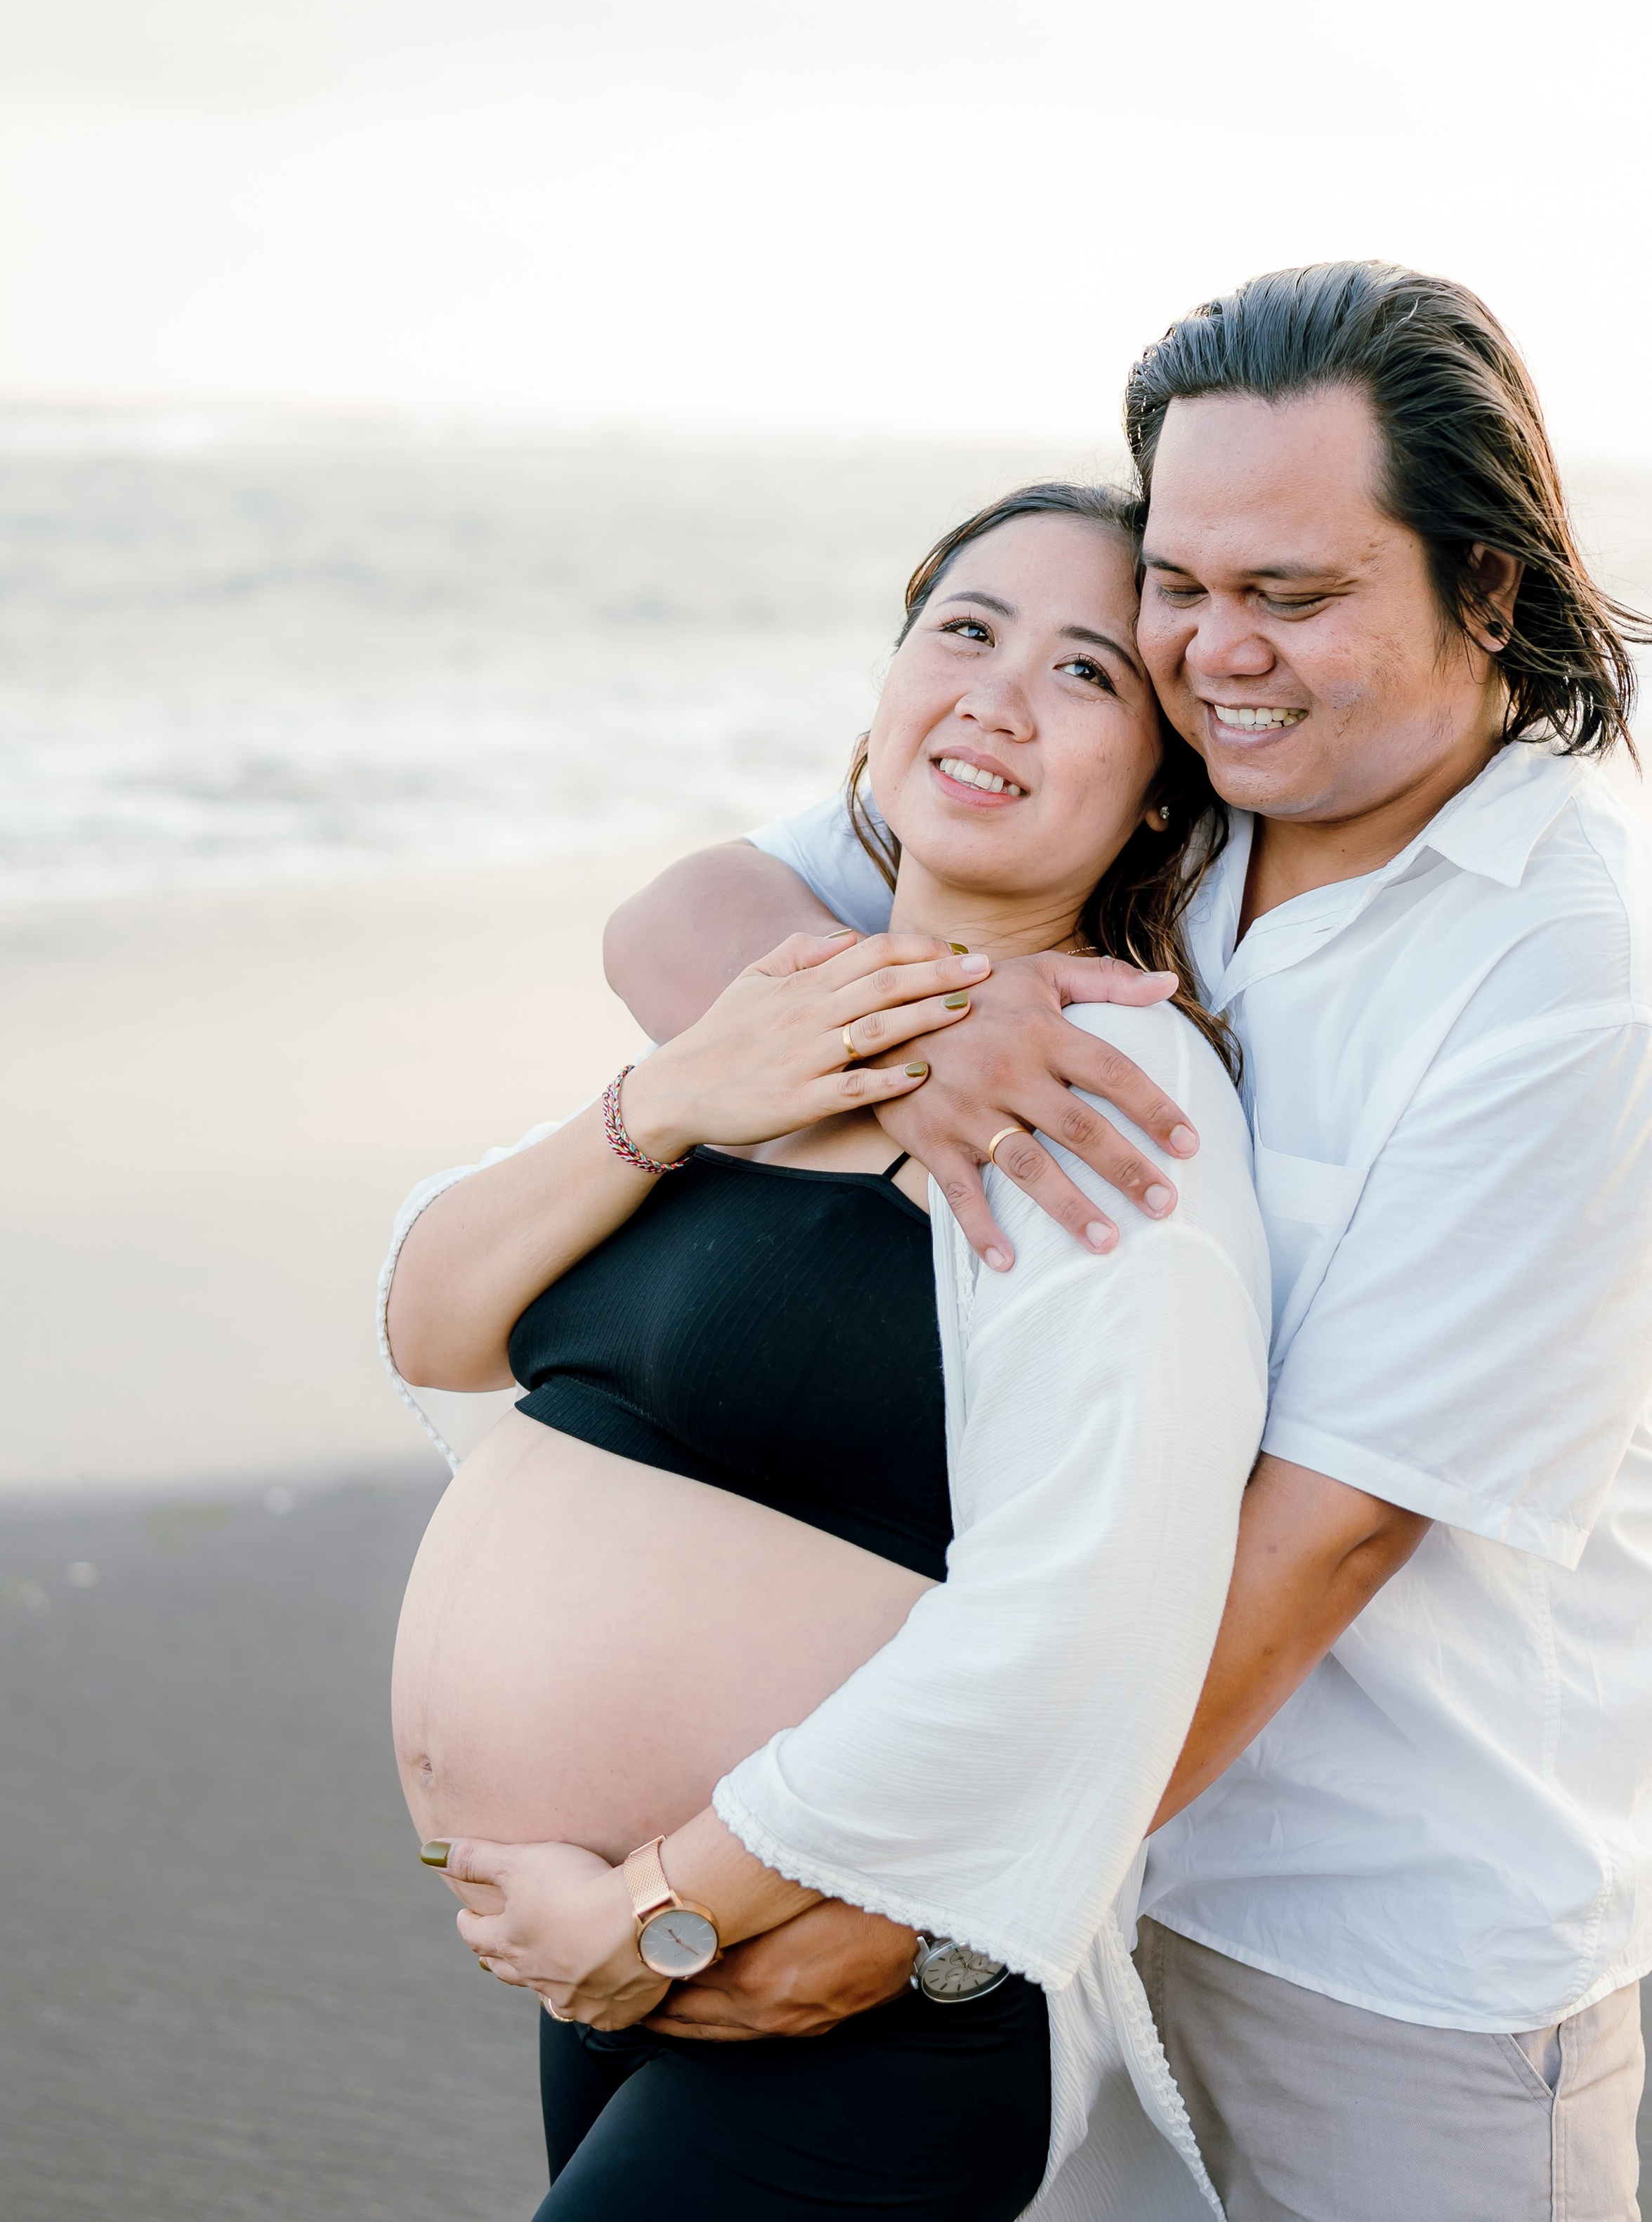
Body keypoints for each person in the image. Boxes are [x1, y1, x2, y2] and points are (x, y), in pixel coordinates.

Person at [606, 263, 1652, 2221]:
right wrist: (914, 1033)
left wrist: (920, 1883)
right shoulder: (1164, 796)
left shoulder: (1574, 983)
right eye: (1181, 584)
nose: (1218, 653)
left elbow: (1328, 1537)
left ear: (1487, 586)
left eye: (1292, 596)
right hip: (1060, 1835)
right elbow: (686, 920)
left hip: (1382, 1931)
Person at [379, 483, 1271, 2220]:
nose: (998, 695)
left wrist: (666, 1898)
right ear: (882, 688)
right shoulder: (771, 1019)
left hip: (841, 2003)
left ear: (1159, 782)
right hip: (614, 1972)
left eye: (1087, 672)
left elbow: (1084, 1618)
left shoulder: (1107, 1101)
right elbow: (435, 1318)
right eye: (964, 630)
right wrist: (667, 1097)